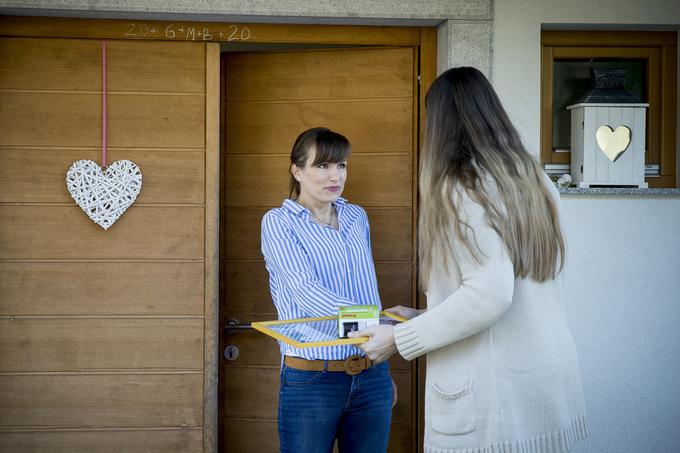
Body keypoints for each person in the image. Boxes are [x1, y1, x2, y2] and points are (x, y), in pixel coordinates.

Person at [351, 67, 589, 453]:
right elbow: (506, 284)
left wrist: (398, 338)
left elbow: (490, 294)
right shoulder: (534, 179)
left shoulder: (463, 185)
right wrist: (422, 316)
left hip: (495, 402)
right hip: (542, 387)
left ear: (441, 123)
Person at [260, 127, 394, 453]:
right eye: (322, 166)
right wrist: (380, 324)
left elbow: (367, 289)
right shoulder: (279, 222)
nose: (334, 176)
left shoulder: (356, 216)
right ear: (297, 170)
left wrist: (380, 367)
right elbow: (308, 294)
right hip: (312, 379)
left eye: (341, 166)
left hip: (369, 371)